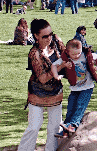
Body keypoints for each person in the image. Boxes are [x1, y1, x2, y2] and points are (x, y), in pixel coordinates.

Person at [18, 19, 67, 151]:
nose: (49, 38)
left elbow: (68, 55)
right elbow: (43, 79)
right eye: (45, 36)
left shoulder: (56, 42)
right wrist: (59, 66)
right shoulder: (34, 54)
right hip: (37, 92)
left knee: (55, 127)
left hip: (55, 92)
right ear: (36, 36)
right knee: (34, 126)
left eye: (50, 34)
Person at [52, 39, 97, 137]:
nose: (77, 56)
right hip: (75, 88)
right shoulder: (65, 59)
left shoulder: (85, 55)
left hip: (87, 87)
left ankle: (73, 125)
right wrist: (56, 75)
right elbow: (54, 65)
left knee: (80, 105)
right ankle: (66, 129)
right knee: (70, 107)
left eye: (79, 53)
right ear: (67, 52)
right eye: (74, 54)